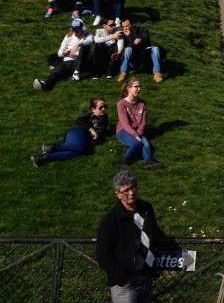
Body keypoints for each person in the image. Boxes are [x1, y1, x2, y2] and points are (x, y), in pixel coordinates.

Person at [96, 170, 175, 302]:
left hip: (145, 278)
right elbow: (102, 254)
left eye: (133, 188)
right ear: (118, 195)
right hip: (125, 285)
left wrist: (172, 248)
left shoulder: (146, 208)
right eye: (126, 191)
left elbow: (154, 233)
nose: (131, 193)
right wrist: (122, 275)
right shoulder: (110, 221)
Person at [32, 97, 109, 165]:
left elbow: (101, 133)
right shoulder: (89, 114)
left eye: (105, 106)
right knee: (81, 149)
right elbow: (79, 121)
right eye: (101, 107)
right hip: (77, 132)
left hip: (86, 140)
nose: (104, 109)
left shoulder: (105, 118)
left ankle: (43, 158)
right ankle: (54, 147)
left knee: (75, 153)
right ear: (93, 109)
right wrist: (91, 129)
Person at [33, 17, 94, 90]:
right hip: (68, 61)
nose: (77, 32)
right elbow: (60, 53)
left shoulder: (87, 35)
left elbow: (90, 41)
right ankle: (46, 85)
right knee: (57, 69)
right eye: (75, 30)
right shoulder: (69, 36)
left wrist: (78, 46)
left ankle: (76, 72)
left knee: (85, 48)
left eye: (78, 30)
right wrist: (66, 53)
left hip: (81, 61)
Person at [116, 78, 162, 169]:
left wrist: (139, 132)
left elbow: (143, 122)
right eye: (136, 87)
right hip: (124, 131)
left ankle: (149, 162)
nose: (139, 89)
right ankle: (124, 161)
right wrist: (135, 134)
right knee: (137, 143)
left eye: (140, 86)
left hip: (138, 131)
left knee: (147, 144)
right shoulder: (121, 103)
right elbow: (124, 123)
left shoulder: (142, 103)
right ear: (128, 88)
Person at [117, 19, 163, 84]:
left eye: (127, 26)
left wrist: (136, 38)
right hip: (134, 58)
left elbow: (145, 38)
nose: (125, 28)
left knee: (155, 49)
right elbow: (128, 46)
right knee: (128, 49)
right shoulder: (123, 34)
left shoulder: (142, 30)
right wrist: (129, 36)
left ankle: (157, 73)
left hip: (144, 55)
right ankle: (123, 72)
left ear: (132, 24)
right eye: (123, 26)